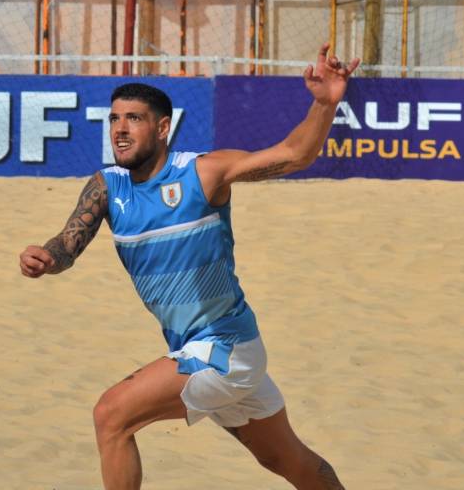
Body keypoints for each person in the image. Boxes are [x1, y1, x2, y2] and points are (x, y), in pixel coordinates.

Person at [19, 43, 359, 490]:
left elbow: (295, 155)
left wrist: (324, 104)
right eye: (114, 119)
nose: (120, 129)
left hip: (224, 348)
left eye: (133, 119)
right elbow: (68, 244)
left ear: (163, 127)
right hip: (203, 349)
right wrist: (47, 258)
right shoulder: (107, 186)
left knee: (111, 415)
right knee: (289, 460)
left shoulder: (203, 173)